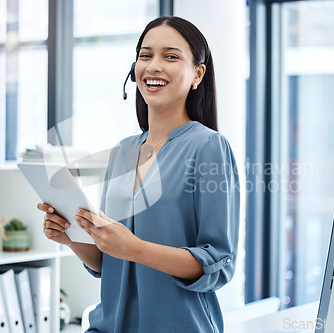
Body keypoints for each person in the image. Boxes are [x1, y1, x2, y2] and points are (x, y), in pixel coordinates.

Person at [37, 16, 240, 333]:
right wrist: (71, 238)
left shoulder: (208, 146)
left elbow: (218, 264)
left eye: (170, 56)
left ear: (197, 74)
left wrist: (133, 247)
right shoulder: (123, 151)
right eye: (145, 56)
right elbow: (111, 264)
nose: (153, 66)